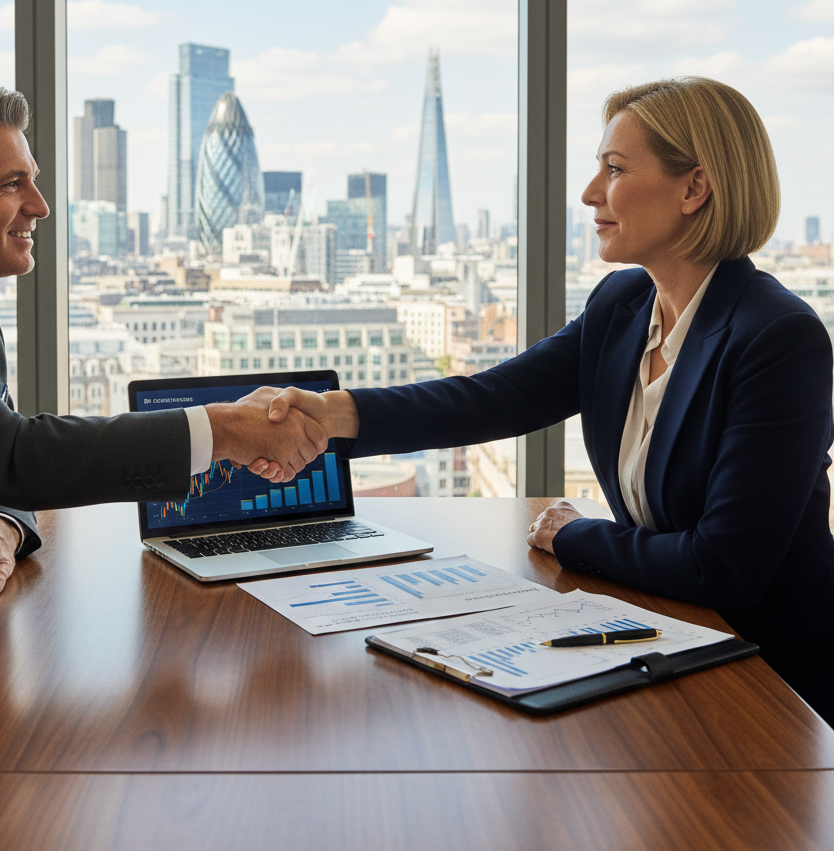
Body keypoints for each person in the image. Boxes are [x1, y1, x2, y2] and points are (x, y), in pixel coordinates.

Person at [262, 77, 834, 725]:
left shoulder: (777, 337)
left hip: (773, 688)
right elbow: (497, 398)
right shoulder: (620, 306)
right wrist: (333, 416)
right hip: (667, 646)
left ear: (693, 188)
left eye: (614, 169)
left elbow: (723, 568)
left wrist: (574, 534)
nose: (590, 194)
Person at [0, 84, 325, 670]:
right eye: (11, 184)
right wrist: (226, 429)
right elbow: (19, 458)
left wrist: (1, 525)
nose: (40, 204)